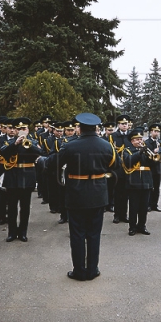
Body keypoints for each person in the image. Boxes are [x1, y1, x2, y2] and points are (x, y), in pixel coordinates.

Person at [50, 112, 120, 281]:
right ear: (96, 128)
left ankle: (79, 271)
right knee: (94, 234)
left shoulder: (70, 146)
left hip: (76, 194)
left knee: (78, 234)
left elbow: (55, 163)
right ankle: (93, 269)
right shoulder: (106, 146)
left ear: (79, 128)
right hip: (97, 194)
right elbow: (115, 165)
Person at [0, 118, 42, 242]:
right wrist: (16, 144)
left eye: (24, 129)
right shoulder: (10, 142)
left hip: (27, 177)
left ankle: (23, 232)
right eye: (19, 129)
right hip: (12, 177)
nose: (21, 131)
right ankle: (12, 233)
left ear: (28, 130)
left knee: (25, 207)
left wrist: (28, 145)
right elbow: (3, 153)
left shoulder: (33, 142)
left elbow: (40, 152)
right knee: (12, 207)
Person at [123, 127, 155, 235]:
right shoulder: (127, 150)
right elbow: (128, 162)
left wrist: (151, 156)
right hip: (134, 181)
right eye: (137, 139)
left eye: (141, 139)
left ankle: (142, 226)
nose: (140, 141)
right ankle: (132, 227)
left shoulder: (146, 150)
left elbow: (153, 165)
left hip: (146, 181)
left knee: (144, 207)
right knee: (133, 206)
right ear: (132, 141)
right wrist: (140, 152)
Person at [145, 124, 161, 212]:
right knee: (149, 187)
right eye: (155, 131)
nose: (156, 133)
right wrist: (154, 151)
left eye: (158, 132)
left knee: (156, 187)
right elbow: (145, 155)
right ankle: (148, 204)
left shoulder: (160, 142)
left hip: (158, 167)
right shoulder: (147, 142)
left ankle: (154, 204)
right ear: (151, 132)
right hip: (150, 167)